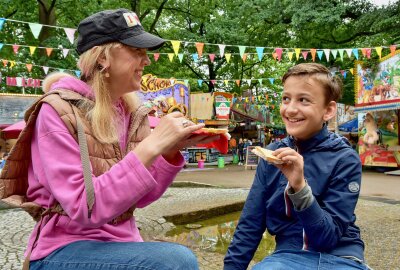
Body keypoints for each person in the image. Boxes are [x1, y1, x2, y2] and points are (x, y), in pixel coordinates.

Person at [9, 8, 220, 270]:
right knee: (176, 261)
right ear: (102, 59)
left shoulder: (132, 113)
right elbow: (85, 209)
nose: (147, 60)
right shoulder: (57, 111)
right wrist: (150, 146)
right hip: (62, 247)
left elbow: (139, 199)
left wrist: (168, 152)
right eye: (137, 50)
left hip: (120, 243)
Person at [224, 63, 369, 269]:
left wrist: (299, 187)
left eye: (303, 100)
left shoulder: (345, 159)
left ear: (328, 110)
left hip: (340, 256)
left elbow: (327, 239)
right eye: (286, 98)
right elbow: (250, 224)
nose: (290, 109)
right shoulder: (272, 156)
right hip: (287, 255)